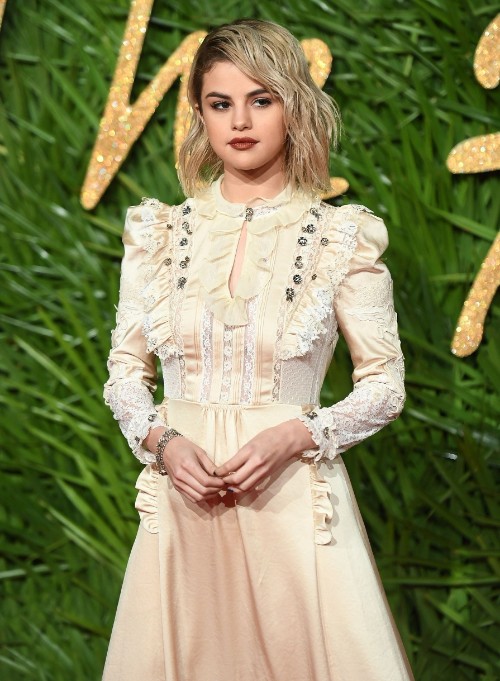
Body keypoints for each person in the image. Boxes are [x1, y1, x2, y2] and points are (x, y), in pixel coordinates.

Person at [102, 18, 414, 681]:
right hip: (184, 507)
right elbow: (125, 371)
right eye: (221, 103)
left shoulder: (342, 237)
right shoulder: (158, 234)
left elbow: (385, 385)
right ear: (200, 114)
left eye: (261, 99)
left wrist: (296, 435)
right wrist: (162, 441)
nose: (240, 121)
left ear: (293, 106)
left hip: (293, 506)